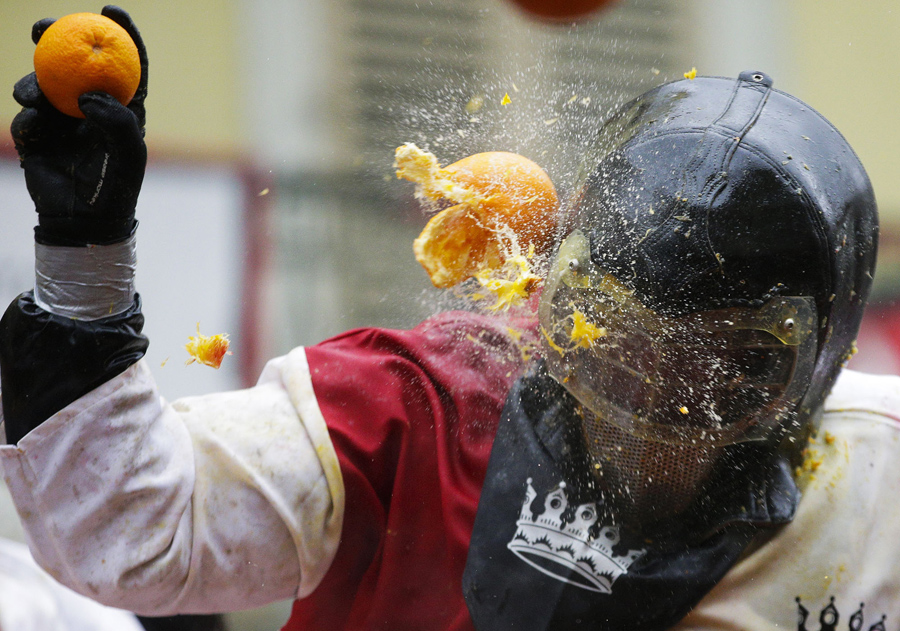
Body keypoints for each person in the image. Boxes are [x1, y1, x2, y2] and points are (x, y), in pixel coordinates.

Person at [0, 6, 896, 631]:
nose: (646, 399)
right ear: (554, 300)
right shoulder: (414, 411)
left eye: (727, 366)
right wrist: (85, 261)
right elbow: (129, 534)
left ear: (814, 373)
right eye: (607, 327)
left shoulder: (877, 477)